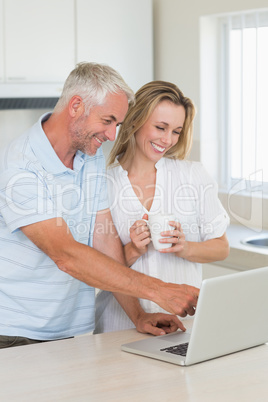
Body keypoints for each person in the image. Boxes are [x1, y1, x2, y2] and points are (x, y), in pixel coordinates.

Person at [0, 63, 200, 349]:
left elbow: (104, 240)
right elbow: (65, 254)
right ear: (76, 106)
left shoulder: (89, 157)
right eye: (107, 121)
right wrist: (158, 290)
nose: (111, 135)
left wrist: (139, 315)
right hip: (11, 332)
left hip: (62, 330)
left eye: (117, 125)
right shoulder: (20, 166)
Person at [94, 80, 230, 333]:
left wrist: (185, 247)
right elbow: (96, 270)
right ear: (135, 121)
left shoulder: (193, 176)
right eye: (160, 127)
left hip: (183, 327)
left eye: (176, 131)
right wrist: (133, 249)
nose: (167, 140)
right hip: (118, 329)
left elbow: (221, 248)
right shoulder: (102, 184)